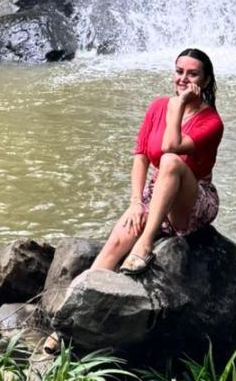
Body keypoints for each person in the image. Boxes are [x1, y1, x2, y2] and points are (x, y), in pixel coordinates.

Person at [93, 47, 224, 275]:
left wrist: (180, 104)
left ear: (206, 80)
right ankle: (79, 292)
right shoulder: (158, 106)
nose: (183, 79)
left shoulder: (212, 122)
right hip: (158, 191)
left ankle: (145, 244)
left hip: (192, 200)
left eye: (192, 74)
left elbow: (170, 147)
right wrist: (136, 202)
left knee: (170, 161)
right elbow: (141, 156)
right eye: (179, 71)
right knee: (114, 245)